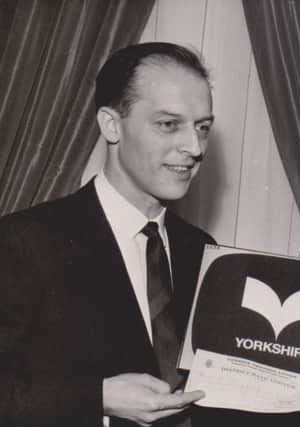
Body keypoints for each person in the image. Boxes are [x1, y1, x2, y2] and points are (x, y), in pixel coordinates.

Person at [0, 42, 216, 426]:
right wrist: (95, 397)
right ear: (111, 125)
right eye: (169, 124)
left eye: (202, 127)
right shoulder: (22, 242)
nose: (194, 147)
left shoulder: (202, 251)